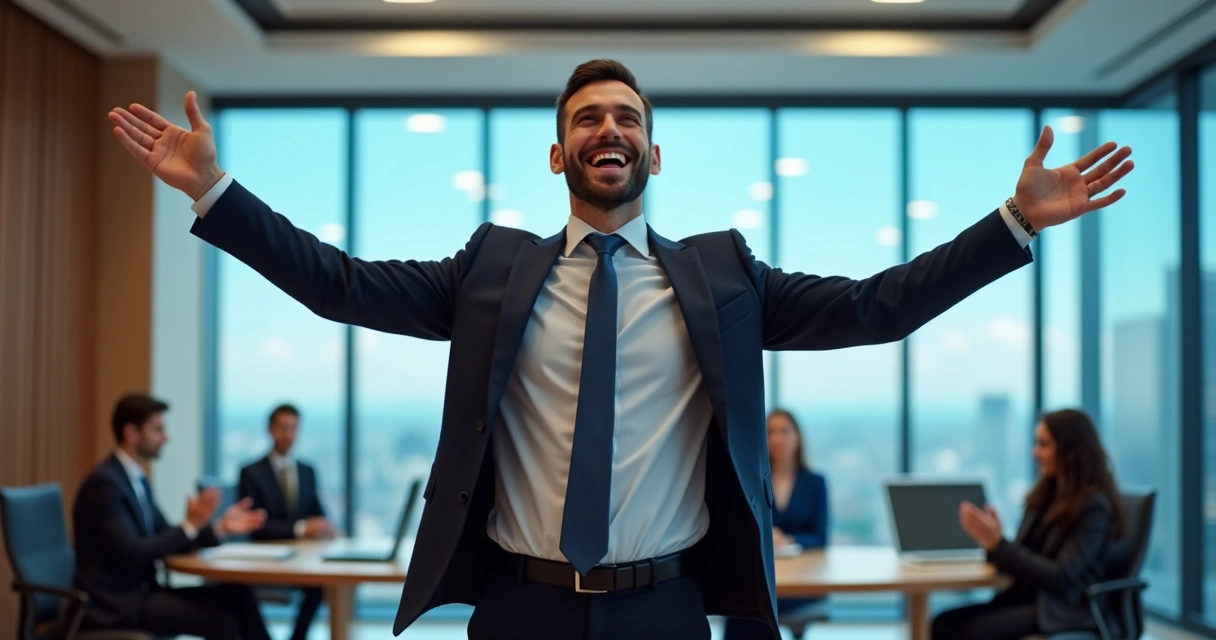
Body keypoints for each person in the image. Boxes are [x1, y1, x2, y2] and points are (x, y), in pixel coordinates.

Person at [107, 59, 1133, 640]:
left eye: (628, 118)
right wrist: (215, 193)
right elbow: (338, 283)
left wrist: (1012, 223)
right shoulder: (491, 269)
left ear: (653, 150)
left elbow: (878, 307)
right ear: (559, 152)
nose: (611, 129)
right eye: (589, 118)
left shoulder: (723, 274)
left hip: (666, 607)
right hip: (518, 604)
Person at [73, 393, 271, 640]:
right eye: (158, 429)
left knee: (238, 595)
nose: (166, 437)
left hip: (142, 594)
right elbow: (132, 554)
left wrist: (219, 527)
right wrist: (189, 526)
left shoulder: (135, 479)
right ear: (131, 433)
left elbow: (166, 536)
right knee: (222, 620)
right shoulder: (104, 485)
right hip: (115, 604)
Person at [931, 409, 1126, 639]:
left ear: (1070, 450)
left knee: (972, 632)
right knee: (942, 623)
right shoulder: (1045, 497)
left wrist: (1001, 545)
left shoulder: (1093, 507)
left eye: (1043, 444)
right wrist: (992, 543)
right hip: (1027, 597)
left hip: (1062, 608)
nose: (1035, 452)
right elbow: (1023, 557)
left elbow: (1062, 577)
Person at [723, 410, 829, 640]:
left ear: (797, 437)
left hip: (801, 579)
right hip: (761, 575)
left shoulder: (815, 483)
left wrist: (789, 540)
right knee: (747, 603)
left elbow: (820, 536)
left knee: (758, 606)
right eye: (770, 432)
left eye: (784, 431)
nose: (777, 438)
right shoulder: (752, 481)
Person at [238, 403, 336, 640]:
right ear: (270, 430)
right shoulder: (251, 473)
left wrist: (327, 528)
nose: (289, 435)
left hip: (303, 559)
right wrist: (301, 528)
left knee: (322, 586)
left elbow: (317, 513)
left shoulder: (307, 471)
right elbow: (256, 527)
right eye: (283, 428)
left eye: (293, 429)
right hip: (266, 561)